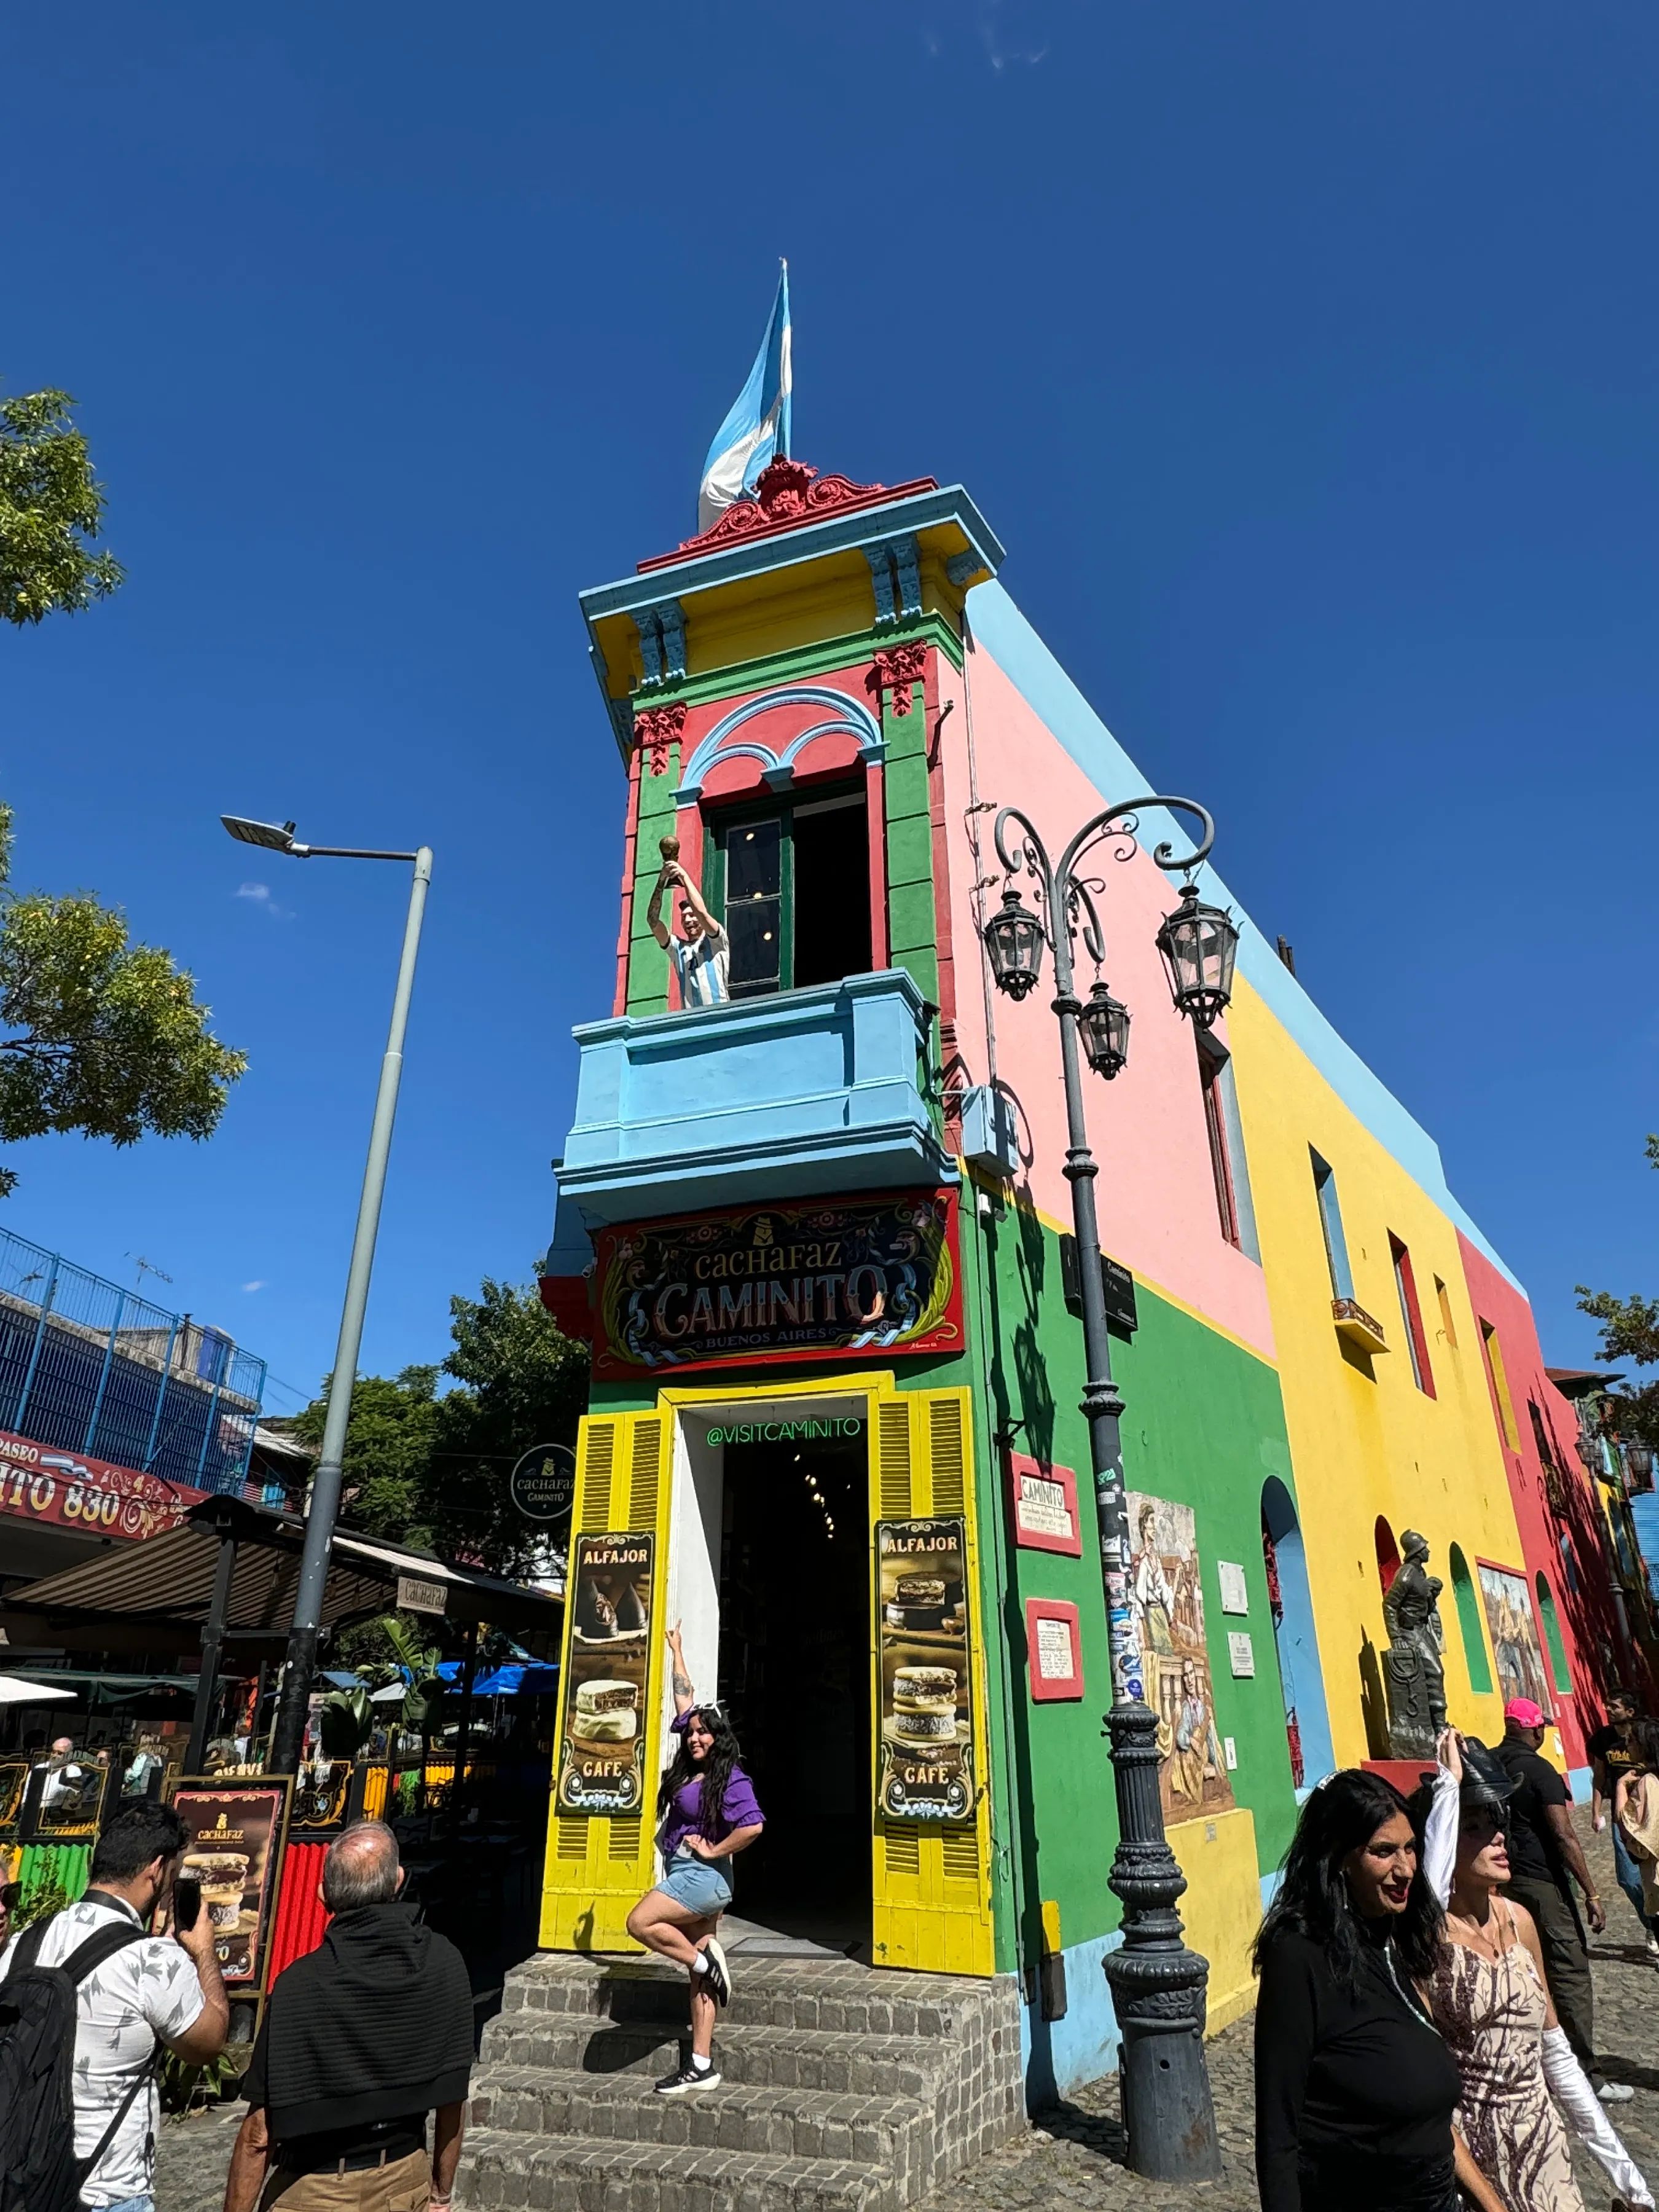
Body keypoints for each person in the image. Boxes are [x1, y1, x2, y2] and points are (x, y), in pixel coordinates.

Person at [1253, 1767, 1505, 2212]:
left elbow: (1428, 2120)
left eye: (1411, 1847)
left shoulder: (1397, 1936)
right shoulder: (1299, 1955)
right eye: (1383, 1852)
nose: (1405, 1869)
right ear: (1339, 1857)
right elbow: (1279, 2133)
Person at [1418, 1732, 1650, 2212]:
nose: (1498, 1836)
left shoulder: (1519, 1922)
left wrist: (1628, 2178)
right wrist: (1446, 1792)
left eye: (1497, 1821)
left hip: (1543, 2145)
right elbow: (1430, 1897)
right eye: (1474, 1827)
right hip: (1472, 2153)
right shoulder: (1430, 1938)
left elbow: (1556, 2052)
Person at [224, 1820, 473, 2212]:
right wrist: (441, 2195)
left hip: (314, 2189)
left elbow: (258, 2136)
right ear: (399, 1881)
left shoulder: (298, 1985)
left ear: (322, 1894)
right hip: (404, 2181)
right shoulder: (445, 1963)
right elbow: (453, 2098)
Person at [0, 1802, 229, 2212]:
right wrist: (204, 1953)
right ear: (157, 1869)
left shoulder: (19, 1946)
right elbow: (208, 2043)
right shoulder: (152, 1960)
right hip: (106, 2191)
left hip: (19, 2186)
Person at [623, 1623, 764, 2098]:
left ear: (720, 1739)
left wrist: (714, 1850)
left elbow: (753, 1826)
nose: (695, 1738)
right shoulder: (693, 1764)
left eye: (705, 1733)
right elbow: (685, 1698)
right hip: (692, 1875)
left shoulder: (730, 1778)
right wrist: (677, 1650)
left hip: (703, 1877)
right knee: (698, 1975)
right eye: (693, 1733)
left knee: (640, 1923)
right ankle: (701, 2064)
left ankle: (706, 1964)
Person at [1494, 1696, 1629, 2100]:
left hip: (1499, 1885)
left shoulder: (1489, 1764)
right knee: (1568, 1971)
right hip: (1542, 1882)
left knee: (1521, 1972)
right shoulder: (1540, 1770)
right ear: (1535, 1730)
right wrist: (1592, 1892)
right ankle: (1585, 2074)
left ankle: (1534, 2064)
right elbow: (1564, 1835)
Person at [1589, 1688, 1657, 1954]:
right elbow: (1599, 1777)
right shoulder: (1602, 1740)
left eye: (1614, 1706)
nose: (1608, 1710)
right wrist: (1595, 1812)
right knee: (1628, 1879)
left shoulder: (1647, 1734)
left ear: (1630, 1711)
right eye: (1607, 1705)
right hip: (1623, 1813)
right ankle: (1651, 1923)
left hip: (1651, 1808)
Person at [646, 861, 729, 1009]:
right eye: (684, 917)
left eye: (691, 915)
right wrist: (661, 882)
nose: (688, 920)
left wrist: (683, 876)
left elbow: (702, 913)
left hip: (720, 1013)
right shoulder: (677, 949)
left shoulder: (716, 940)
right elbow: (653, 921)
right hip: (693, 1018)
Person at [1612, 1716, 1659, 1952]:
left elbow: (1628, 1825)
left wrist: (1621, 1787)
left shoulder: (1648, 1782)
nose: (1627, 1744)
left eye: (1631, 1740)